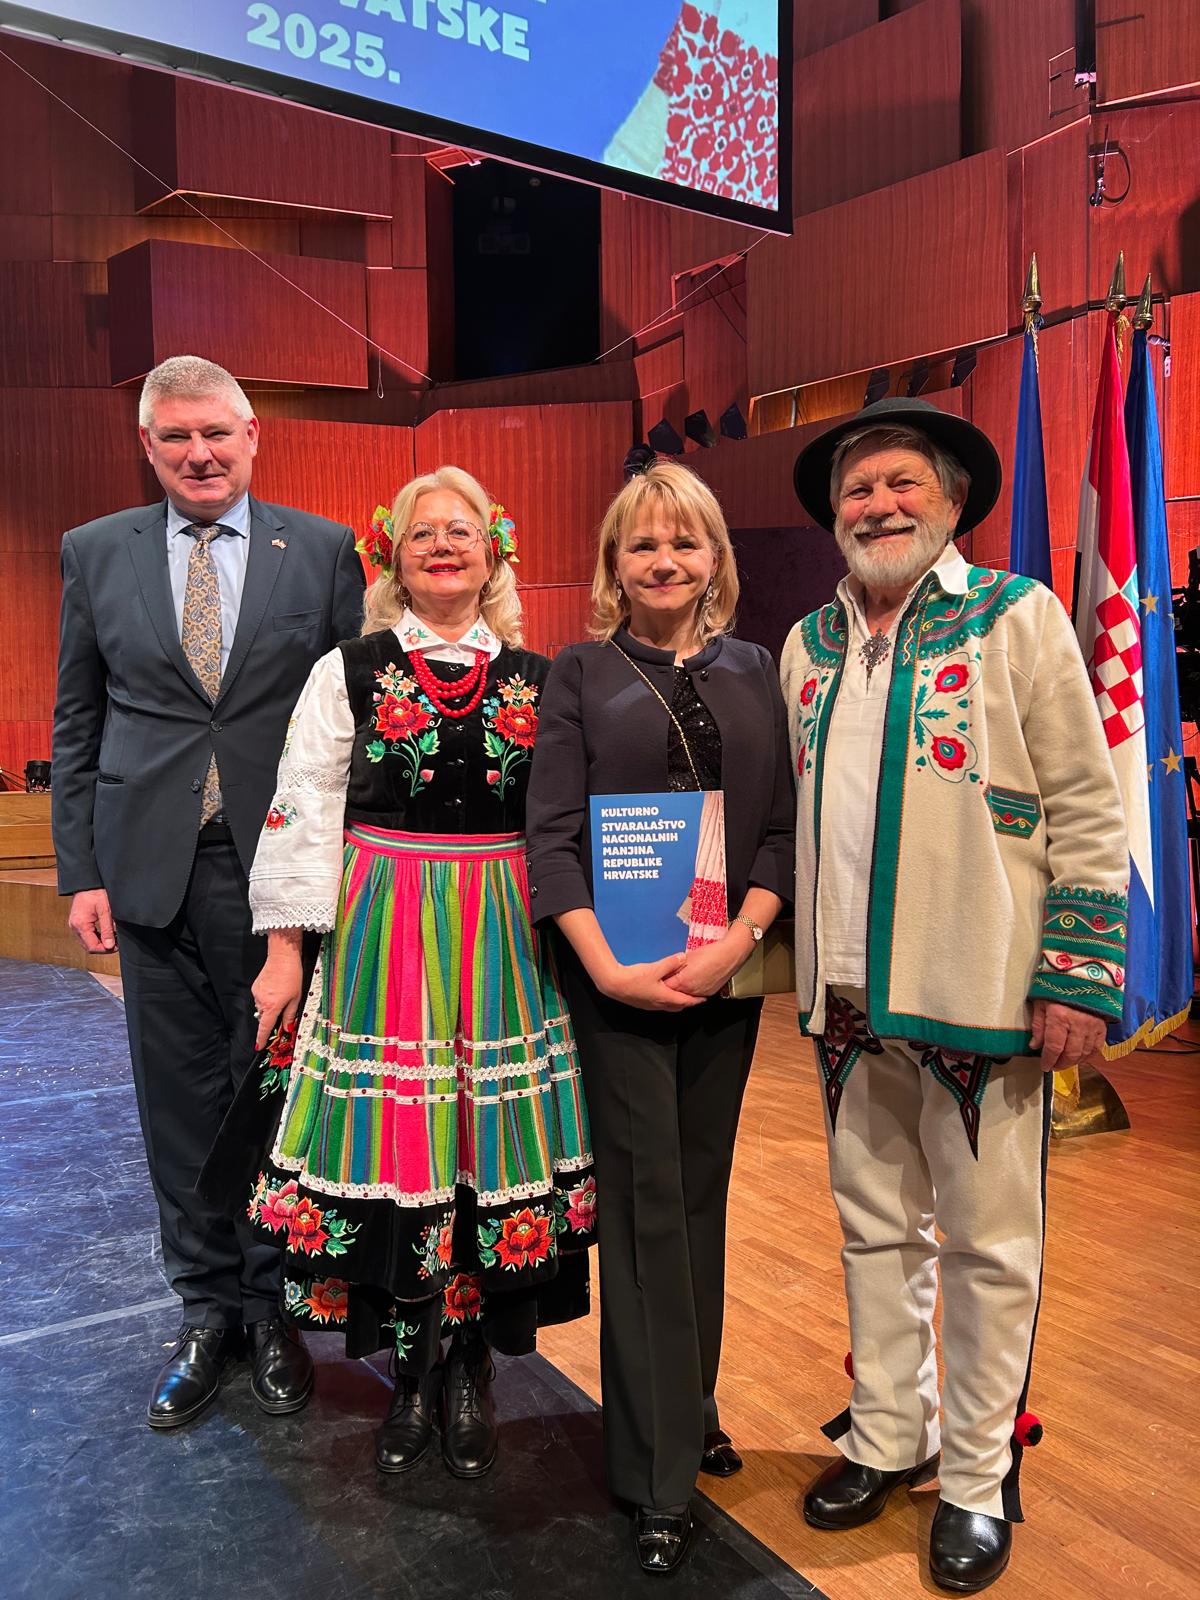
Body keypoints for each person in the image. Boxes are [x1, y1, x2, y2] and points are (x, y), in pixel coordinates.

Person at [781, 397, 1128, 1593]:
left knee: (989, 1247)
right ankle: (892, 1432)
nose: (877, 505)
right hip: (843, 996)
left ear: (953, 500)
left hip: (982, 989)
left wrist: (1076, 972)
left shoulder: (1017, 615)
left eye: (901, 484)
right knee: (873, 1229)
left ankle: (978, 1476)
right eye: (857, 490)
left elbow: (1087, 799)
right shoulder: (805, 644)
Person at [233, 466, 596, 1478]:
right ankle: (411, 1367)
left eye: (461, 530)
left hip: (502, 942)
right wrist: (284, 953)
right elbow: (303, 805)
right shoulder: (348, 670)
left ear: (494, 552)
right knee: (406, 1152)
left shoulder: (540, 676)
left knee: (479, 1147)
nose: (442, 545)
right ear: (393, 555)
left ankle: (471, 1366)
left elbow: (569, 817)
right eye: (423, 532)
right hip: (384, 936)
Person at [50, 355, 365, 1430]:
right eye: (177, 437)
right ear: (148, 445)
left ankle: (273, 1309)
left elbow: (350, 723)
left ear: (252, 435)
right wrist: (82, 869)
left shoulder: (320, 549)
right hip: (147, 872)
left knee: (269, 1095)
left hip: (280, 879)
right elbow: (78, 721)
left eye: (217, 433)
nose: (199, 454)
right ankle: (205, 1310)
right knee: (176, 1100)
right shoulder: (95, 552)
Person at [526, 460, 794, 1573]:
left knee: (698, 1196)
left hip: (726, 978)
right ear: (614, 563)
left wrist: (739, 944)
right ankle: (654, 1476)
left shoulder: (758, 668)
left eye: (686, 542)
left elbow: (778, 829)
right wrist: (606, 971)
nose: (666, 560)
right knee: (643, 1211)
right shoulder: (580, 672)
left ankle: (689, 1406)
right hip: (620, 988)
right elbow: (552, 839)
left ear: (715, 558)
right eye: (644, 543)